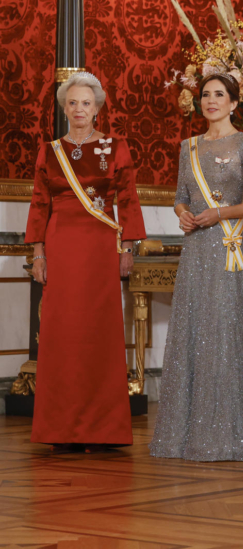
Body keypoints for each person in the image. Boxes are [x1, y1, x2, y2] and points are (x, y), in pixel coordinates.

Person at [150, 73, 243, 462]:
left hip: (229, 248)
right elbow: (179, 196)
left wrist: (218, 214)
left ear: (234, 103)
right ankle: (187, 433)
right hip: (196, 249)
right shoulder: (187, 146)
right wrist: (184, 214)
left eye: (219, 95)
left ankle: (236, 432)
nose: (210, 101)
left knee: (228, 330)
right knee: (196, 330)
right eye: (205, 95)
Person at [26, 72, 147, 452]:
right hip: (61, 246)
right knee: (62, 335)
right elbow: (39, 203)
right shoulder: (50, 150)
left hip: (99, 249)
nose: (79, 109)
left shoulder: (116, 147)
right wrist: (38, 253)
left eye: (86, 103)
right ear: (64, 109)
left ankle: (102, 429)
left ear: (98, 109)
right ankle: (59, 428)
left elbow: (126, 198)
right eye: (72, 103)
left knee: (99, 333)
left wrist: (128, 247)